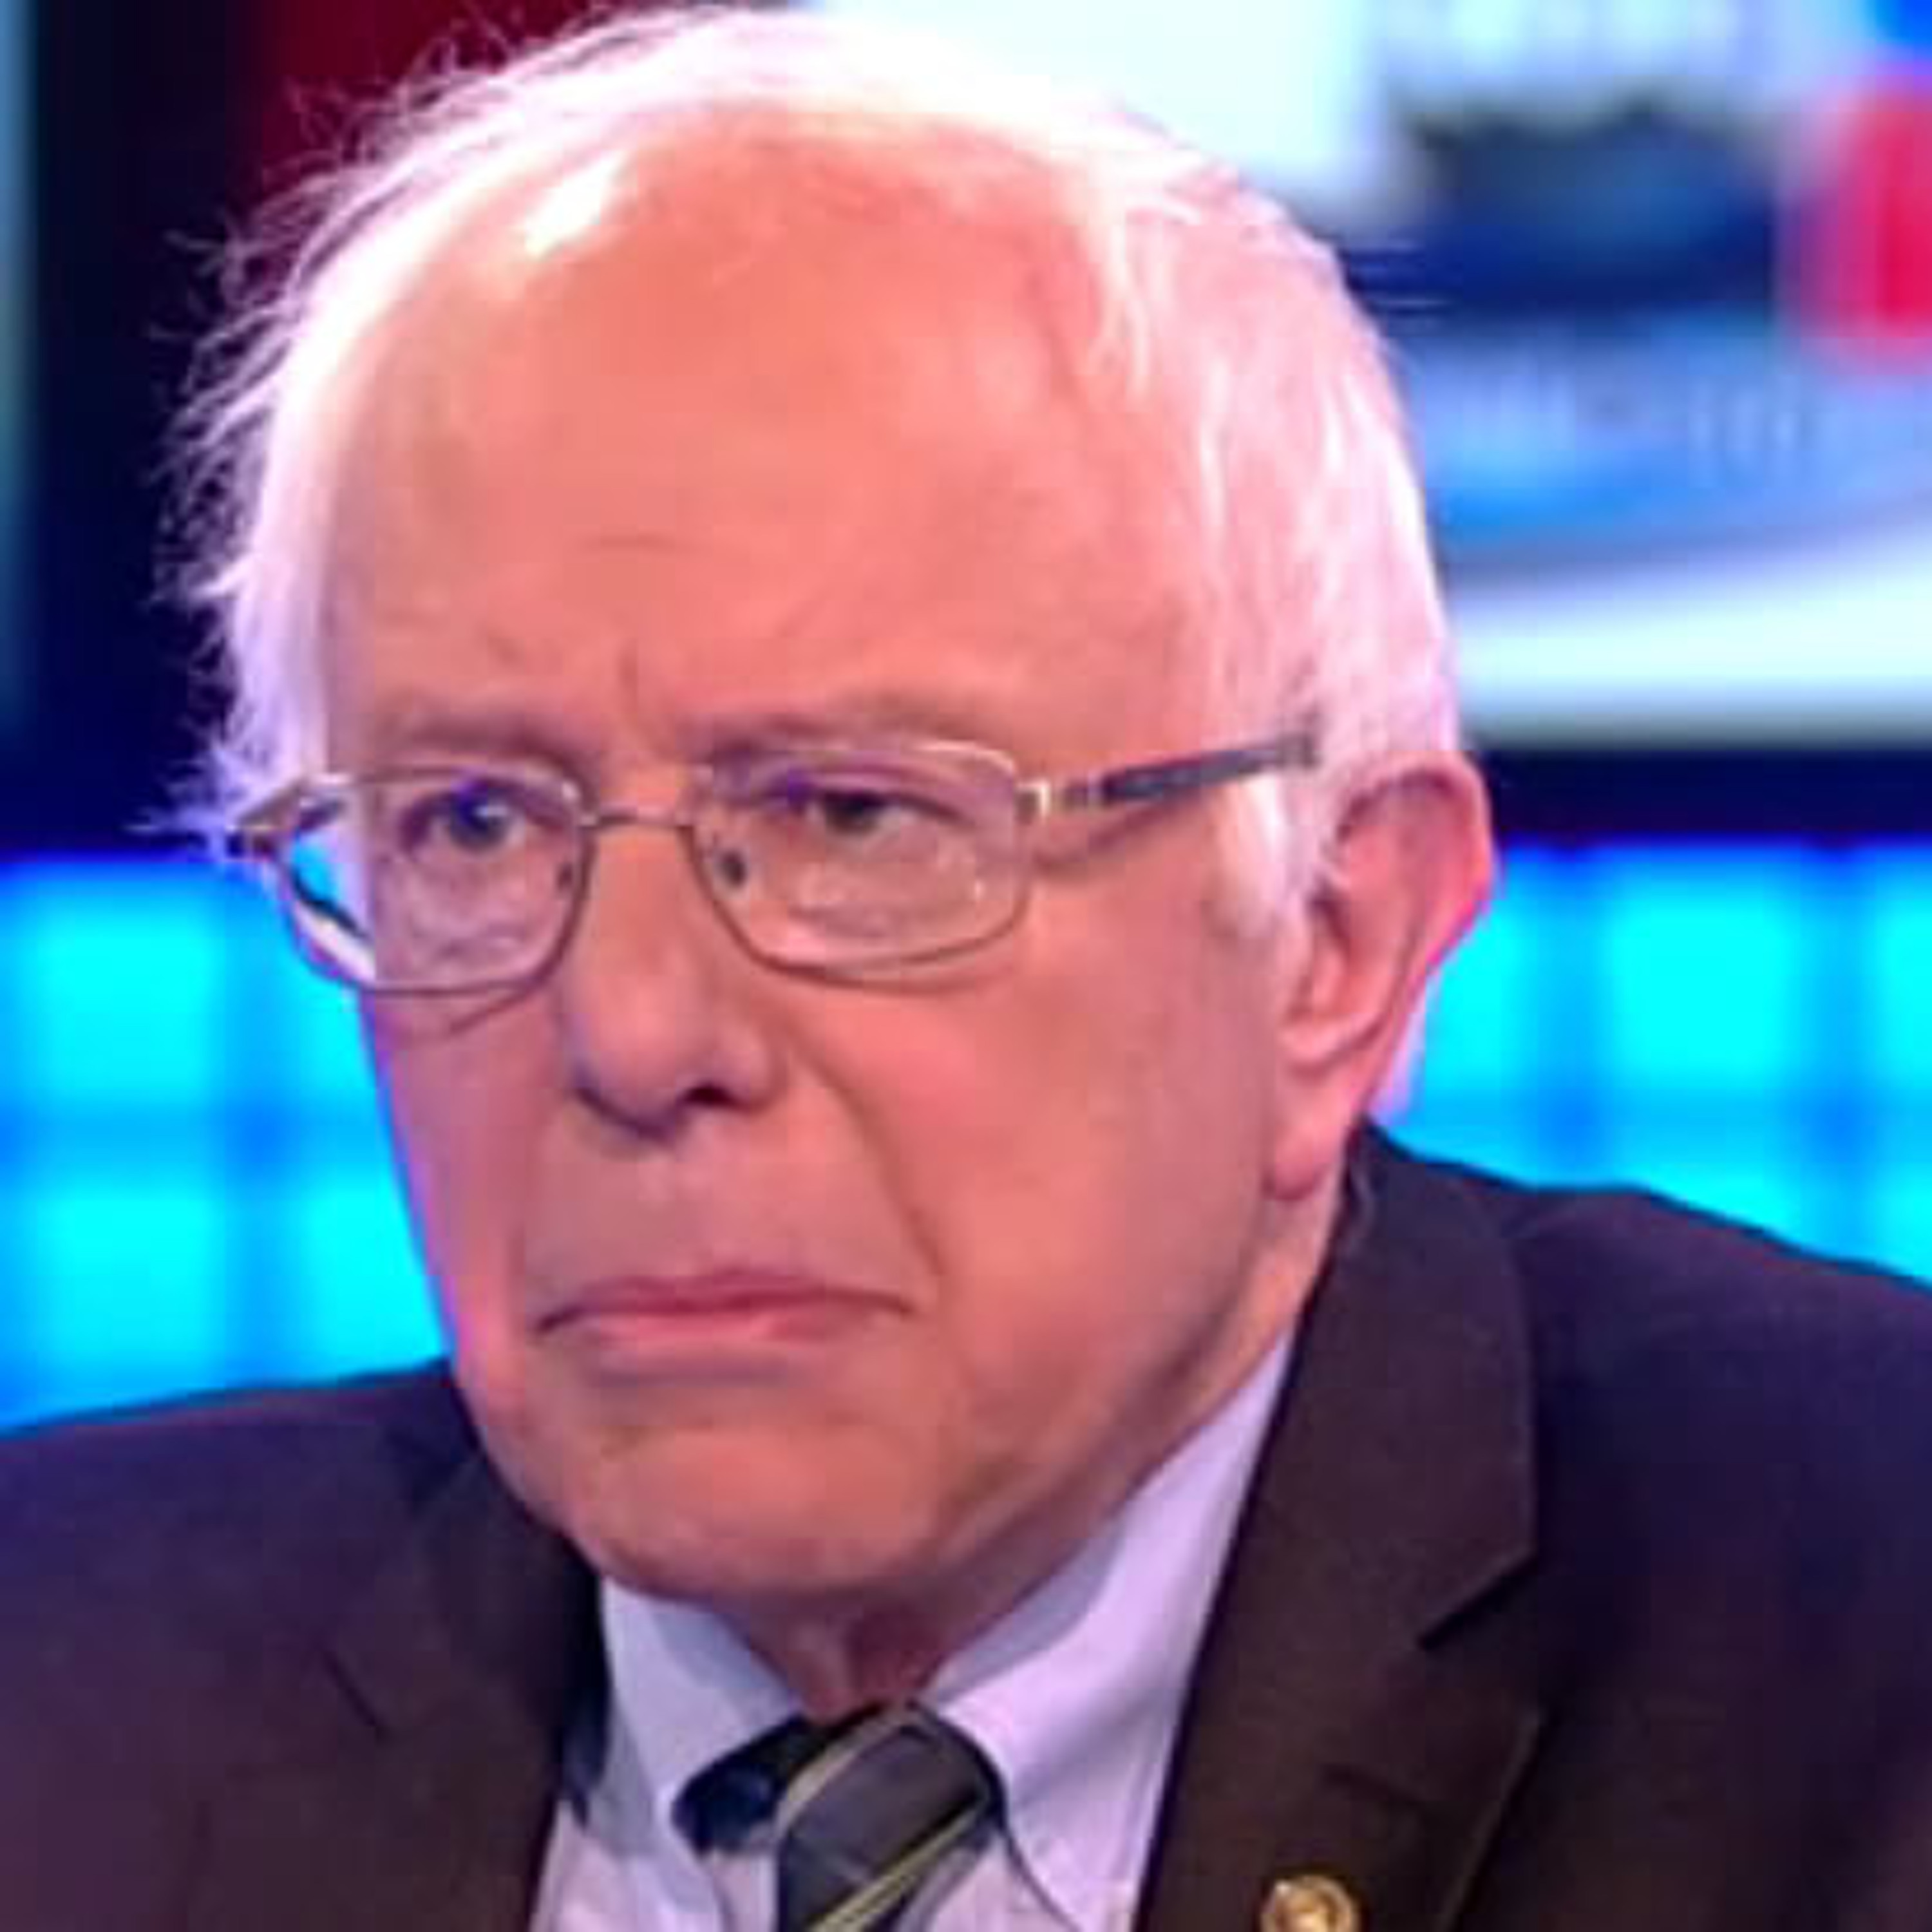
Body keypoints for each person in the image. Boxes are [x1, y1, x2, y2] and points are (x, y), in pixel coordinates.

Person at [5, 10, 1932, 1929]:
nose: (634, 1032)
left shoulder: (1859, 1657)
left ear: (1337, 939)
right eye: (475, 826)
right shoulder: (54, 1708)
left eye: (853, 817)